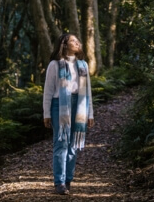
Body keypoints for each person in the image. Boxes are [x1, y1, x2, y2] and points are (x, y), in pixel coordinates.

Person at [43, 33, 95, 195]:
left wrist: (90, 114)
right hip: (59, 106)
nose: (78, 43)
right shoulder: (55, 65)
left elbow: (88, 92)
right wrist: (46, 113)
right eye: (73, 41)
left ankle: (68, 180)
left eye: (78, 40)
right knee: (61, 144)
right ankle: (59, 182)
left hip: (79, 105)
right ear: (64, 45)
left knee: (74, 146)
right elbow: (48, 90)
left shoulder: (83, 65)